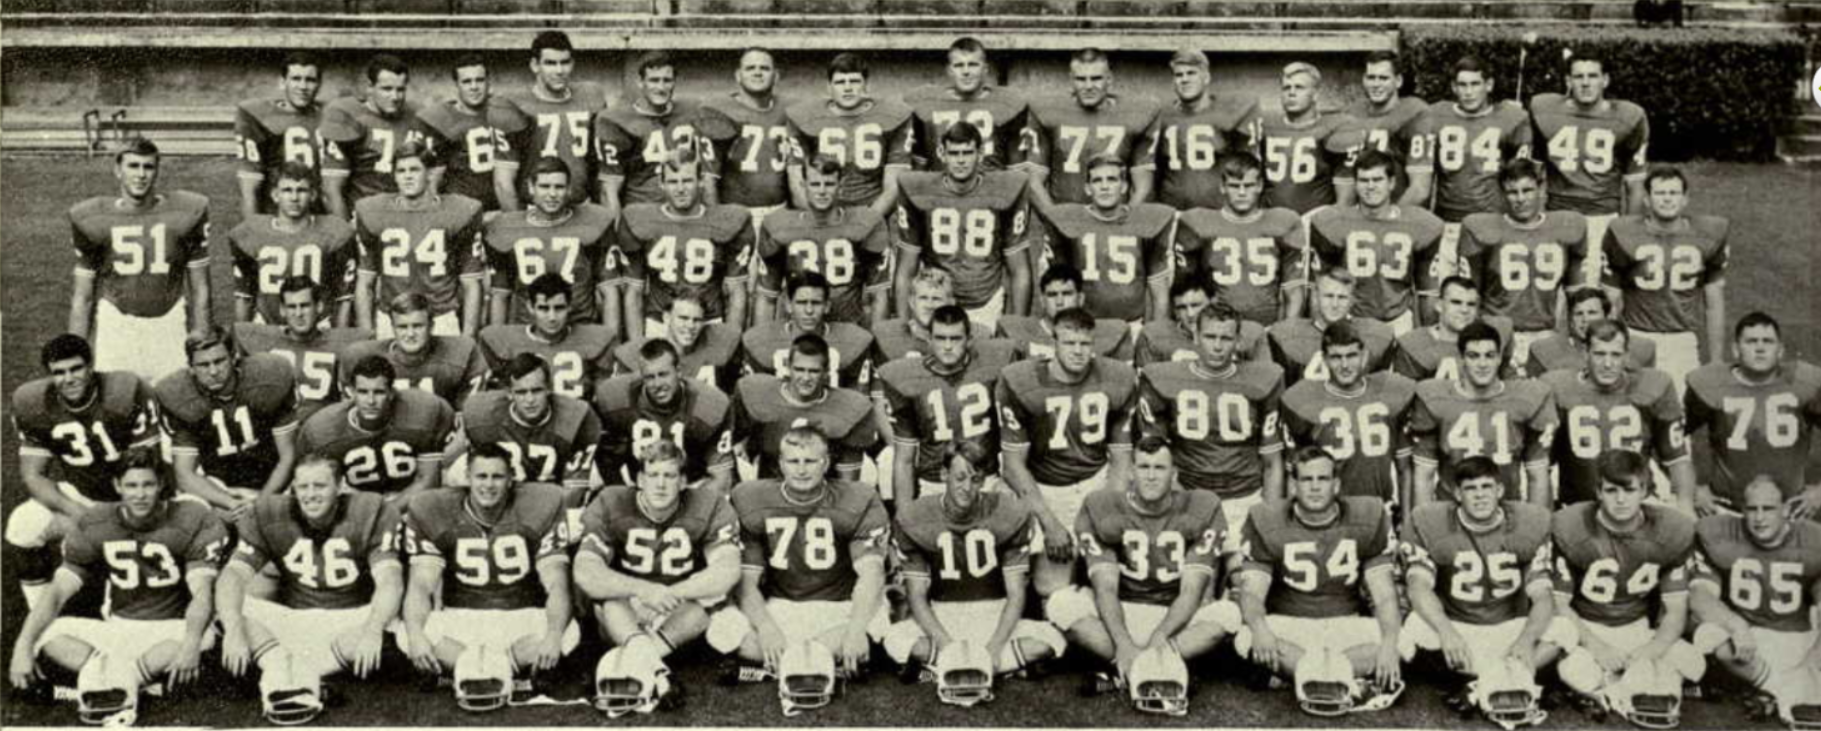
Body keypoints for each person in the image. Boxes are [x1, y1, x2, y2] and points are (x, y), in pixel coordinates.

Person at [7, 449, 229, 725]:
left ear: (161, 484)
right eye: (131, 485)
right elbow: (57, 592)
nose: (140, 494)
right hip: (117, 629)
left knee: (205, 637)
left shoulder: (191, 516)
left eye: (148, 484)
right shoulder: (97, 520)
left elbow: (202, 592)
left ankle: (106, 682)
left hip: (169, 630)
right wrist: (22, 646)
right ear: (117, 487)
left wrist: (191, 643)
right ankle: (131, 679)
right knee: (46, 632)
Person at [1046, 437, 1234, 707]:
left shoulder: (1202, 507)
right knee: (1061, 603)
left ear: (1174, 473)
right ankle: (1159, 667)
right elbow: (1105, 588)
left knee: (1229, 615)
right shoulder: (1101, 507)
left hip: (1175, 617)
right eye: (1144, 467)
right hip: (1122, 611)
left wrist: (1160, 636)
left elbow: (1191, 592)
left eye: (1159, 468)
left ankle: (1125, 672)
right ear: (1131, 472)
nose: (1151, 476)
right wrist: (1123, 643)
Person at [215, 456, 404, 722]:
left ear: (341, 486)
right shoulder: (269, 513)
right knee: (228, 608)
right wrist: (234, 630)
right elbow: (233, 575)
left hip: (351, 619)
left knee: (393, 620)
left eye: (320, 486)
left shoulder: (371, 510)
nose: (310, 495)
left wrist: (373, 629)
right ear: (293, 488)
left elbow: (390, 579)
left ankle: (283, 672)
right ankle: (298, 670)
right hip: (293, 619)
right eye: (303, 487)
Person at [711, 427, 891, 697]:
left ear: (826, 463)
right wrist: (766, 627)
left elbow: (872, 574)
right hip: (781, 606)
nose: (802, 470)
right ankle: (822, 662)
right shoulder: (750, 497)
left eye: (810, 461)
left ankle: (776, 667)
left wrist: (854, 630)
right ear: (781, 464)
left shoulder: (859, 497)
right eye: (793, 461)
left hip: (838, 608)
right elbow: (746, 581)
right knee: (721, 626)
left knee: (875, 620)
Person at [399, 443, 579, 707]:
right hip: (461, 618)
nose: (489, 485)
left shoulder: (541, 505)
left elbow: (556, 582)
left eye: (498, 476)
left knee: (566, 632)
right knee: (408, 631)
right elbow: (421, 584)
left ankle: (462, 669)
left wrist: (553, 635)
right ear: (467, 479)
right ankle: (508, 670)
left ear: (511, 480)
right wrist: (416, 635)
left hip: (520, 616)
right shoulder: (434, 508)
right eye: (481, 476)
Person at [573, 440, 743, 713]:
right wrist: (642, 589)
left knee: (710, 600)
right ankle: (660, 673)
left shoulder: (709, 504)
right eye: (653, 475)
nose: (661, 484)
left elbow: (727, 569)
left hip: (677, 609)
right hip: (627, 611)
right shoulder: (610, 500)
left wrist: (673, 592)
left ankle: (643, 663)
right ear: (640, 479)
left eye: (670, 475)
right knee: (610, 596)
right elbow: (585, 570)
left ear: (684, 480)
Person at [1398, 456, 1569, 725]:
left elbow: (1543, 596)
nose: (1480, 496)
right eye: (1470, 488)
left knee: (1563, 627)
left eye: (1486, 487)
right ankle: (1511, 678)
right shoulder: (1429, 521)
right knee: (1413, 626)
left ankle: (1480, 683)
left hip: (1509, 628)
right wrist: (1446, 632)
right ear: (1457, 494)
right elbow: (1418, 587)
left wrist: (1526, 638)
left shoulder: (1530, 522)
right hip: (1460, 629)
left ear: (1499, 491)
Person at [1234, 446, 1404, 716]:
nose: (1315, 487)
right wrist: (1260, 628)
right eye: (1306, 479)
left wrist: (1390, 643)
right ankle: (1346, 679)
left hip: (1345, 623)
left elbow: (1384, 594)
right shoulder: (1266, 518)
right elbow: (1252, 593)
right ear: (1293, 485)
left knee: (1402, 641)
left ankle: (1303, 675)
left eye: (1322, 479)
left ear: (1336, 485)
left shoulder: (1369, 515)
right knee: (1246, 636)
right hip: (1290, 626)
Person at [883, 441, 1063, 694]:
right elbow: (917, 596)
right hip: (942, 616)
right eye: (959, 478)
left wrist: (994, 647)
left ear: (984, 480)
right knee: (894, 640)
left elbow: (1016, 594)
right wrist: (947, 646)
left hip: (994, 614)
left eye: (975, 479)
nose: (967, 487)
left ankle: (942, 668)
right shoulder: (915, 516)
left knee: (1052, 641)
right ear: (944, 475)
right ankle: (1000, 667)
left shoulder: (1009, 512)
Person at [1550, 450, 1705, 726]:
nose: (1620, 499)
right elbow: (1559, 604)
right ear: (1598, 491)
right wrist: (1597, 647)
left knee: (1695, 662)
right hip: (1588, 627)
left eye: (1629, 490)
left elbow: (1676, 609)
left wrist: (1651, 649)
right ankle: (1633, 690)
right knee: (1572, 669)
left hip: (1637, 628)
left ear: (1644, 490)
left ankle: (1621, 687)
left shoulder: (1670, 530)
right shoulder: (1571, 525)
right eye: (1611, 490)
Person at [6, 335, 160, 609]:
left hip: (132, 498)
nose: (69, 379)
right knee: (23, 524)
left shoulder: (124, 393)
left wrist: (112, 518)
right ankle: (40, 615)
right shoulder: (35, 404)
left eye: (76, 369)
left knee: (129, 607)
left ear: (91, 366)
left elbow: (145, 467)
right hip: (82, 494)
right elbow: (33, 475)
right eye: (59, 372)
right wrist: (77, 512)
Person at [997, 308, 1140, 597]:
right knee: (1050, 588)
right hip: (1045, 489)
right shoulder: (1020, 381)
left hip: (1096, 483)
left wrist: (1106, 512)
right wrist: (1050, 524)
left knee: (1121, 577)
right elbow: (1013, 466)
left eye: (1085, 344)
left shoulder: (1118, 378)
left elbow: (1122, 459)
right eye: (1069, 343)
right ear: (1053, 343)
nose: (1078, 351)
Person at [68, 138, 212, 382]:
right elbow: (83, 296)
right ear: (117, 170)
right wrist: (74, 355)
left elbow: (201, 289)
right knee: (117, 405)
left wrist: (204, 339)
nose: (141, 174)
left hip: (169, 323)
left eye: (148, 167)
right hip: (117, 325)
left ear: (157, 171)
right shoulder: (91, 217)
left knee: (174, 402)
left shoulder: (188, 211)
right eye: (133, 166)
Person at [1136, 303, 1285, 538]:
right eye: (1210, 337)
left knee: (1244, 574)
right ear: (1195, 336)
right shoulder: (1162, 378)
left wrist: (1269, 517)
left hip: (1244, 496)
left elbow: (1273, 461)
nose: (1217, 346)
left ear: (1238, 341)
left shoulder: (1264, 379)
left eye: (1226, 338)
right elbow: (1155, 458)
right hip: (1187, 496)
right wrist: (1175, 505)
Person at [1688, 475, 1821, 721]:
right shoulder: (1719, 534)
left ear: (1786, 509)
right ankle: (1787, 693)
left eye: (1768, 509)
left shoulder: (1814, 540)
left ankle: (1776, 691)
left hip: (1798, 640)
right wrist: (1737, 626)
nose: (1759, 518)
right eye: (1752, 509)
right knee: (1709, 633)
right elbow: (1699, 596)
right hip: (1749, 642)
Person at [894, 122, 1033, 332]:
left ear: (980, 153)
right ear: (942, 153)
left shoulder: (1006, 190)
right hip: (935, 300)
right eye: (954, 153)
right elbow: (906, 267)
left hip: (984, 301)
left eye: (967, 152)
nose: (960, 160)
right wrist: (902, 329)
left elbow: (1019, 268)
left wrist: (1017, 330)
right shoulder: (918, 190)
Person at [1541, 320, 1694, 510]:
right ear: (1585, 353)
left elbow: (1677, 458)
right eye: (1599, 354)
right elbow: (1541, 465)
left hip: (1638, 503)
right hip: (1579, 507)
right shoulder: (1558, 388)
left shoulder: (1655, 386)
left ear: (1627, 355)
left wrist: (1686, 508)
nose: (1608, 364)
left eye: (1616, 354)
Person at [1602, 166, 1729, 394]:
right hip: (1637, 335)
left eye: (1673, 193)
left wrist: (1716, 360)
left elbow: (1714, 300)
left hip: (1682, 337)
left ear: (1685, 199)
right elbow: (1611, 297)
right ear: (1647, 200)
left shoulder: (1708, 234)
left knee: (1678, 417)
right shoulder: (1623, 232)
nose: (1667, 199)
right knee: (1633, 412)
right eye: (1660, 193)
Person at [1530, 50, 1649, 287]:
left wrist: (1627, 234)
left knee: (1589, 300)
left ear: (1605, 80)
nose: (1585, 83)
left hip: (1600, 218)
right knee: (1546, 297)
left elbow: (1634, 185)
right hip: (1557, 216)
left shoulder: (1629, 117)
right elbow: (1534, 172)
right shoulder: (1544, 109)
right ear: (1568, 82)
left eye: (1593, 76)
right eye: (1578, 76)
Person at [877, 304, 1020, 502]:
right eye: (940, 338)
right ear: (928, 338)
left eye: (955, 338)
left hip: (983, 479)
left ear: (969, 340)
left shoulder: (995, 364)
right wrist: (904, 516)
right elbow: (905, 458)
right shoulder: (906, 379)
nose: (947, 346)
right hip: (935, 482)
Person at [1684, 311, 1821, 517]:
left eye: (1768, 341)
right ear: (1736, 349)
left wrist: (1819, 491)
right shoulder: (1710, 385)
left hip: (1790, 509)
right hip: (1725, 507)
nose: (1760, 348)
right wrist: (1693, 486)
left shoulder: (1805, 383)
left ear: (1781, 350)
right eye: (1751, 341)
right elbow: (1667, 438)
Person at [1409, 321, 1556, 507]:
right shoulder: (1434, 399)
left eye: (1489, 355)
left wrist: (1536, 527)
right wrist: (1426, 526)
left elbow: (1537, 474)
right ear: (1461, 359)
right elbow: (1424, 475)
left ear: (1500, 358)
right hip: (1451, 511)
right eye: (1473, 356)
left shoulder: (1527, 399)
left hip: (1507, 510)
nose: (1482, 364)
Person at [352, 139, 487, 338]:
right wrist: (367, 336)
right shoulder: (372, 211)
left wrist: (468, 338)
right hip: (393, 318)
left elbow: (471, 283)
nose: (407, 177)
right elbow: (365, 282)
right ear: (394, 176)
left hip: (441, 316)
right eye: (401, 171)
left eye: (414, 170)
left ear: (430, 173)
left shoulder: (461, 212)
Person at [156, 327, 300, 511]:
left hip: (276, 484)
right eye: (203, 365)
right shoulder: (182, 397)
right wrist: (230, 503)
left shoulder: (267, 381)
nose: (213, 371)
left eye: (219, 361)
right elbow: (185, 474)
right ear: (191, 368)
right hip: (221, 488)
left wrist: (263, 502)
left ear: (234, 358)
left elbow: (288, 456)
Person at [1458, 159, 1588, 362]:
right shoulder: (1482, 229)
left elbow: (1577, 296)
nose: (1520, 199)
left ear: (1541, 188)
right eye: (1512, 192)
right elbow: (1470, 296)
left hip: (1545, 333)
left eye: (1527, 190)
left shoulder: (1566, 227)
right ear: (1502, 195)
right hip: (1496, 332)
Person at [615, 148, 753, 337]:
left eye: (687, 180)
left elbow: (736, 292)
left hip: (708, 322)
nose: (680, 189)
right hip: (660, 322)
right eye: (673, 181)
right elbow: (634, 292)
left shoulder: (728, 222)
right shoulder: (639, 221)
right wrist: (637, 345)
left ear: (701, 181)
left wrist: (730, 341)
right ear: (662, 184)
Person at [1307, 149, 1446, 336]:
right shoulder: (1332, 223)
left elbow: (1428, 292)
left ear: (1392, 183)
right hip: (1351, 321)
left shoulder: (1421, 225)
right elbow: (1319, 288)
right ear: (1355, 184)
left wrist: (1427, 336)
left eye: (1377, 180)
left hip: (1398, 321)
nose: (1370, 186)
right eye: (1364, 180)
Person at [1281, 321, 1418, 508]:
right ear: (1325, 359)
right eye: (1336, 357)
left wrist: (1406, 521)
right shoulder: (1303, 401)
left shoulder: (1390, 393)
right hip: (1328, 512)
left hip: (1379, 509)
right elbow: (1294, 475)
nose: (1345, 365)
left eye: (1351, 355)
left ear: (1364, 356)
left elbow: (1404, 469)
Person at [1036, 154, 1175, 328]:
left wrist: (1155, 335)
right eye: (1097, 181)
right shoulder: (1069, 222)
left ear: (1124, 186)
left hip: (1131, 325)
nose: (1104, 187)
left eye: (1111, 180)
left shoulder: (1144, 223)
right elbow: (1056, 289)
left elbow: (1160, 293)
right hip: (1083, 326)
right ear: (1087, 188)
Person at [754, 155, 891, 326]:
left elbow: (879, 294)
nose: (822, 191)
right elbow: (767, 297)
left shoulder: (865, 224)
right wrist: (763, 344)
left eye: (829, 184)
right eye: (815, 184)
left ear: (840, 186)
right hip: (798, 333)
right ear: (803, 186)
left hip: (849, 329)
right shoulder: (778, 226)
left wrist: (876, 344)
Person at [1175, 151, 1308, 326]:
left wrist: (1286, 332)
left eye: (1249, 185)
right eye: (1235, 186)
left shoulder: (1284, 222)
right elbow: (1185, 291)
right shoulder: (1197, 223)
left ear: (1260, 185)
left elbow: (1294, 290)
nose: (1242, 192)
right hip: (1216, 329)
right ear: (1222, 186)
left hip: (1267, 327)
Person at [1019, 48, 1159, 213]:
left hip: (1114, 220)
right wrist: (1056, 222)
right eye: (1081, 79)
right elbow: (1034, 181)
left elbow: (1143, 185)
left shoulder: (1137, 114)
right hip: (1067, 215)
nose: (1088, 86)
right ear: (1071, 81)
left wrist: (1125, 224)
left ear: (1109, 80)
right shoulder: (1048, 112)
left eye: (1096, 78)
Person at [295, 355, 453, 501]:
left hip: (411, 496)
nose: (371, 401)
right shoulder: (324, 428)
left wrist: (388, 513)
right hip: (355, 498)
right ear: (352, 393)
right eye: (363, 392)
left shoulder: (421, 411)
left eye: (379, 392)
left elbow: (428, 480)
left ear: (392, 393)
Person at [483, 157, 616, 328]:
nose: (552, 194)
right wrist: (498, 342)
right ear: (531, 188)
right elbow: (500, 295)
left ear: (569, 189)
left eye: (559, 187)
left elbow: (609, 291)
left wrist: (612, 343)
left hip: (580, 326)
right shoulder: (505, 227)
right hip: (526, 329)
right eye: (544, 186)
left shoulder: (595, 222)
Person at [593, 338, 736, 493]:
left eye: (663, 374)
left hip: (693, 487)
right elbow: (607, 464)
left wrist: (687, 509)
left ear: (679, 371)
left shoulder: (708, 405)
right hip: (638, 487)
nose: (658, 385)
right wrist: (626, 501)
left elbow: (721, 479)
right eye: (649, 377)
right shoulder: (617, 399)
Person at [1423, 55, 1532, 257]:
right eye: (1462, 85)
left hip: (1493, 220)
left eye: (1475, 84)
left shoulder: (1511, 118)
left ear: (1488, 85)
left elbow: (1522, 176)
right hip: (1448, 221)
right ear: (1454, 87)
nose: (1468, 92)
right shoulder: (1435, 115)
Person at [785, 52, 914, 219]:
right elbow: (797, 184)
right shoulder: (803, 116)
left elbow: (894, 185)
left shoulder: (895, 116)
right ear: (829, 87)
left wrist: (867, 222)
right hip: (823, 212)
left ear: (866, 85)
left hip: (873, 209)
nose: (847, 88)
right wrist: (822, 221)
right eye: (840, 82)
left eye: (854, 81)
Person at [733, 334, 878, 482]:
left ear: (826, 372)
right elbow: (732, 447)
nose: (806, 378)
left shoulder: (850, 407)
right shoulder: (757, 392)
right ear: (788, 367)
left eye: (814, 371)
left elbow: (848, 483)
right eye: (799, 369)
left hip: (826, 491)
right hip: (769, 487)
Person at [319, 54, 447, 221]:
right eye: (386, 89)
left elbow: (435, 173)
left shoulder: (419, 117)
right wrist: (347, 234)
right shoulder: (350, 116)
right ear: (369, 87)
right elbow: (331, 189)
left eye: (400, 89)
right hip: (367, 219)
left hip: (410, 218)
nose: (395, 97)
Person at [230, 164, 356, 327]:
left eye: (301, 190)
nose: (294, 198)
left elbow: (343, 298)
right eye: (287, 190)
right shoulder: (251, 232)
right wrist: (242, 342)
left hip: (320, 327)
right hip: (269, 326)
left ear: (313, 195)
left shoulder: (335, 232)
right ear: (275, 195)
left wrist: (338, 341)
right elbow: (244, 297)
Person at [234, 275, 372, 423]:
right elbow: (233, 334)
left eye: (305, 305)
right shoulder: (261, 338)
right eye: (292, 307)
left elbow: (370, 339)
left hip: (322, 426)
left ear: (319, 306)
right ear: (282, 310)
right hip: (279, 427)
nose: (299, 314)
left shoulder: (343, 341)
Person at [458, 353, 600, 492]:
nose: (530, 400)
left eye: (536, 391)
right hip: (501, 494)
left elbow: (575, 488)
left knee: (594, 479)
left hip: (554, 494)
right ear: (509, 393)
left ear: (549, 389)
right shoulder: (481, 413)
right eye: (521, 392)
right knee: (456, 473)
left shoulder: (577, 416)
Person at [596, 51, 708, 221]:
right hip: (643, 214)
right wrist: (615, 237)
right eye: (654, 80)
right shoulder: (615, 120)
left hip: (687, 213)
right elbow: (609, 188)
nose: (661, 88)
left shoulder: (693, 111)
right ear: (641, 82)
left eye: (667, 80)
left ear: (675, 82)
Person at [500, 30, 606, 209]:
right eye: (550, 63)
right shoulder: (514, 104)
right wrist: (516, 225)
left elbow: (602, 165)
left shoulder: (591, 96)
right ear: (535, 65)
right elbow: (503, 180)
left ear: (572, 63)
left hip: (580, 207)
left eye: (564, 63)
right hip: (534, 211)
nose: (559, 71)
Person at [1144, 49, 1257, 213]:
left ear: (1206, 78)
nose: (1185, 80)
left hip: (1218, 214)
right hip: (1174, 213)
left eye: (1191, 73)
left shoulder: (1228, 113)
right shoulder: (1162, 115)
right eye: (1179, 75)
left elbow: (1247, 169)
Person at [478, 272, 617, 400]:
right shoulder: (503, 340)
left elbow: (604, 395)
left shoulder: (595, 339)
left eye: (559, 308)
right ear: (530, 308)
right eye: (543, 308)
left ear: (570, 307)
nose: (552, 317)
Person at [1240, 62, 1354, 214]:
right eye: (1286, 87)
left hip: (1316, 222)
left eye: (1299, 87)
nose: (1291, 93)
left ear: (1315, 94)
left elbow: (1345, 196)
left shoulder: (1334, 127)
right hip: (1273, 221)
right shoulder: (1266, 126)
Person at [418, 54, 527, 213]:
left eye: (479, 80)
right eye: (467, 82)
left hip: (498, 210)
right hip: (461, 212)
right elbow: (433, 181)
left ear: (489, 81)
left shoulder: (504, 113)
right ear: (456, 85)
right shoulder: (442, 119)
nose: (474, 87)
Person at [697, 47, 793, 229]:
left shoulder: (789, 109)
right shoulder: (719, 111)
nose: (757, 73)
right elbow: (709, 178)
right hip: (737, 215)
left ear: (776, 76)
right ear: (738, 76)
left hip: (781, 213)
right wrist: (718, 222)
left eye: (764, 68)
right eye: (750, 68)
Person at [342, 292, 489, 409]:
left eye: (418, 326)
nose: (410, 334)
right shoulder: (361, 357)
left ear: (431, 326)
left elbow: (468, 414)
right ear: (392, 328)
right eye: (402, 327)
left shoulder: (461, 353)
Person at [905, 37, 1029, 172]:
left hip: (992, 188)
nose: (966, 72)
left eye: (973, 65)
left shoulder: (1008, 104)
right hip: (940, 189)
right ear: (949, 70)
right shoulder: (926, 104)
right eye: (959, 65)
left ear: (985, 69)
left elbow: (1016, 172)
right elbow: (918, 170)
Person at [1265, 268, 1397, 387]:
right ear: (1316, 297)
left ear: (1352, 301)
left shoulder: (1376, 335)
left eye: (1342, 297)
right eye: (1328, 296)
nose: (1335, 304)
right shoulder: (1285, 335)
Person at [742, 271, 874, 389]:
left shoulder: (853, 340)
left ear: (827, 306)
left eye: (816, 303)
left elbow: (858, 400)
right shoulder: (760, 340)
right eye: (801, 302)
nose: (809, 311)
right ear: (788, 305)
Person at [236, 52, 325, 221]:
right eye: (296, 79)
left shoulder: (331, 115)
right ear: (282, 82)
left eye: (310, 80)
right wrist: (255, 231)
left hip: (320, 213)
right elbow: (249, 187)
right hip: (277, 214)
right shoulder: (260, 116)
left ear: (319, 84)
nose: (303, 86)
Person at [1341, 51, 1433, 207]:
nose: (1376, 84)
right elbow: (1346, 177)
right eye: (1371, 78)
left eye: (1383, 78)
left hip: (1401, 214)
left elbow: (1420, 189)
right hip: (1361, 215)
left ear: (1398, 81)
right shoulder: (1352, 113)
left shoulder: (1414, 112)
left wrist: (1391, 218)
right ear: (1364, 79)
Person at [994, 264, 1131, 362]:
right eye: (1052, 295)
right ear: (1042, 301)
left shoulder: (1109, 332)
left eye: (1067, 294)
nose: (1059, 302)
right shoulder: (1017, 330)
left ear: (1080, 298)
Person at [1390, 276, 1515, 383]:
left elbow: (1508, 381)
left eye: (1471, 304)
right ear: (1439, 305)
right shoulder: (1414, 344)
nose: (1464, 310)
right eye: (1456, 302)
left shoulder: (1497, 332)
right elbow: (1406, 397)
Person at [612, 293, 744, 393]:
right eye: (683, 318)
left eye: (697, 320)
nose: (690, 326)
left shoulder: (717, 344)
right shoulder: (639, 351)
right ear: (667, 318)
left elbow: (733, 333)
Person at [1133, 274, 1269, 367]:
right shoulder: (1154, 336)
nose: (1190, 314)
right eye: (1182, 307)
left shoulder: (1250, 333)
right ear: (1174, 311)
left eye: (1196, 305)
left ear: (1213, 302)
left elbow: (1265, 380)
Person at [1523, 287, 1657, 378]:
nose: (1585, 320)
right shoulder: (1544, 351)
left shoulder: (1640, 349)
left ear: (1607, 317)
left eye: (1592, 313)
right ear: (1570, 320)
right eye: (1578, 314)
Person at [872, 266, 956, 363]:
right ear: (912, 302)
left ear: (951, 304)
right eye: (923, 298)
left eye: (936, 298)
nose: (929, 305)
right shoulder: (886, 334)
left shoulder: (962, 339)